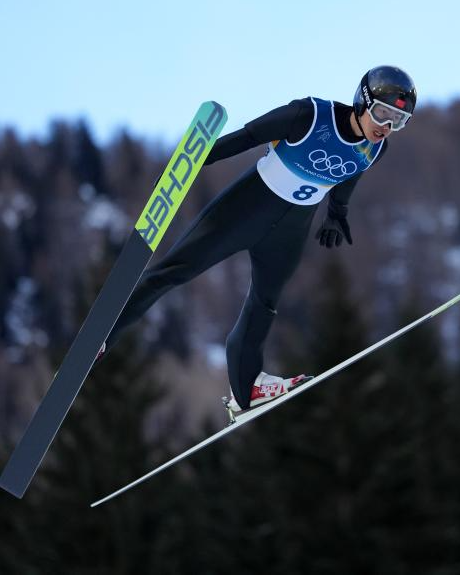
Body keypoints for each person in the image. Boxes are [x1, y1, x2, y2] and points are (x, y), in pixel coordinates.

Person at [100, 66, 417, 414]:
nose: (386, 126)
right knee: (174, 271)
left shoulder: (375, 149)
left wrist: (337, 213)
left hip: (291, 230)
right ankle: (104, 334)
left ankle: (245, 389)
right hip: (245, 210)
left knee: (264, 303)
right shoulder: (309, 115)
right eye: (383, 113)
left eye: (398, 121)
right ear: (363, 101)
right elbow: (245, 138)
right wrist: (190, 163)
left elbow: (350, 174)